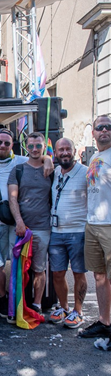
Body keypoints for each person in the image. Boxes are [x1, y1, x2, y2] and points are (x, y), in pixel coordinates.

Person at [0, 128, 53, 322]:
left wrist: (48, 158)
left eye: (7, 143)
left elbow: (37, 159)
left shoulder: (19, 162)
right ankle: (4, 297)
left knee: (6, 267)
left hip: (9, 225)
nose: (2, 146)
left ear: (13, 146)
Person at [8, 132, 53, 316]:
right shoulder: (18, 170)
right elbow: (13, 199)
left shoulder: (51, 169)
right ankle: (18, 305)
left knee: (39, 269)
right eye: (31, 146)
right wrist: (19, 221)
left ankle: (36, 304)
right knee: (18, 269)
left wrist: (48, 159)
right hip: (21, 228)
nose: (35, 149)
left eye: (39, 146)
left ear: (44, 147)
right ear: (26, 146)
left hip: (43, 227)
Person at [78, 115, 111, 351]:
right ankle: (104, 322)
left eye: (109, 127)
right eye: (100, 127)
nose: (105, 131)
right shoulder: (95, 157)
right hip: (93, 224)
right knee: (99, 276)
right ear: (93, 133)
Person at [48, 138, 88, 328]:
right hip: (56, 232)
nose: (64, 153)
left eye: (67, 149)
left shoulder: (85, 173)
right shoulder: (55, 172)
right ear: (55, 153)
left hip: (78, 231)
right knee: (57, 273)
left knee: (79, 273)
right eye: (60, 150)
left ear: (74, 152)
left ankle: (78, 312)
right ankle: (63, 308)